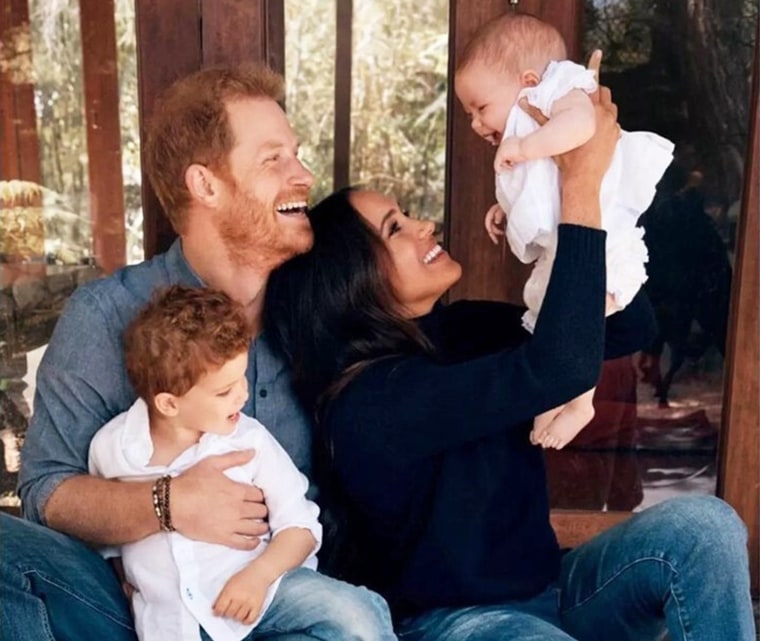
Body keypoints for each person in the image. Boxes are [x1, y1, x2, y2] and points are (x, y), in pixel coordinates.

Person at [264, 73, 756, 640]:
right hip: (459, 623)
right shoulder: (371, 401)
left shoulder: (464, 327)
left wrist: (558, 219)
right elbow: (559, 368)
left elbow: (628, 328)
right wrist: (580, 185)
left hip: (557, 590)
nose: (424, 225)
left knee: (705, 527)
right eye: (395, 227)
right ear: (350, 281)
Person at [1, 64, 392, 641]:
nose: (303, 175)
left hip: (283, 599)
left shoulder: (319, 308)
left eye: (297, 154)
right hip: (141, 608)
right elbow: (45, 492)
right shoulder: (107, 315)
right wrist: (167, 504)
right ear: (205, 185)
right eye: (273, 159)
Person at [88, 285, 394, 641]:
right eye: (224, 391)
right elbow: (106, 536)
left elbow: (301, 526)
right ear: (169, 404)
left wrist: (258, 577)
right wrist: (127, 579)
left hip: (268, 594)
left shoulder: (249, 440)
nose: (243, 395)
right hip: (173, 625)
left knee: (354, 612)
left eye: (242, 379)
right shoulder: (113, 449)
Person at [454, 12, 675, 449]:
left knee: (579, 316)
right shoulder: (529, 123)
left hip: (603, 236)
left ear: (529, 80)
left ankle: (580, 401)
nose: (477, 124)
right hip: (569, 240)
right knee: (548, 314)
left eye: (481, 108)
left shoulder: (562, 90)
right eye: (469, 115)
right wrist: (504, 208)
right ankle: (556, 394)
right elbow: (543, 186)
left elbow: (582, 128)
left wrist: (524, 146)